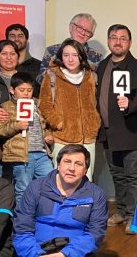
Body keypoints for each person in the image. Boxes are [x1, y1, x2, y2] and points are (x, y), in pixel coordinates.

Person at [96, 24, 137, 232]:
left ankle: (134, 217)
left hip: (131, 132)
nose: (117, 42)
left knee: (133, 176)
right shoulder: (102, 66)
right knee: (117, 175)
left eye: (123, 38)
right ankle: (120, 211)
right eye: (113, 38)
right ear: (109, 41)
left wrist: (130, 104)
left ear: (130, 42)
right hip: (108, 132)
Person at [38, 39, 101, 180]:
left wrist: (95, 122)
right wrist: (58, 122)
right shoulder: (52, 75)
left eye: (74, 55)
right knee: (63, 178)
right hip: (63, 137)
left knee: (86, 179)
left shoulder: (91, 76)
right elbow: (44, 104)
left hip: (88, 138)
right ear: (61, 56)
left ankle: (84, 203)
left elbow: (95, 102)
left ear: (81, 56)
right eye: (66, 55)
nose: (70, 59)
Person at [0, 72, 54, 203]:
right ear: (12, 90)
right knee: (23, 189)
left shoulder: (38, 105)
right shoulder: (7, 107)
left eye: (29, 90)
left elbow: (46, 125)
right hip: (21, 155)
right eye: (22, 90)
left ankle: (42, 216)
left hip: (42, 153)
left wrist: (49, 136)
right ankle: (22, 220)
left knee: (49, 184)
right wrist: (16, 126)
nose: (26, 93)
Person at [0, 39, 20, 107]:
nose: (9, 57)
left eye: (12, 54)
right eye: (4, 54)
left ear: (18, 57)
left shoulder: (26, 78)